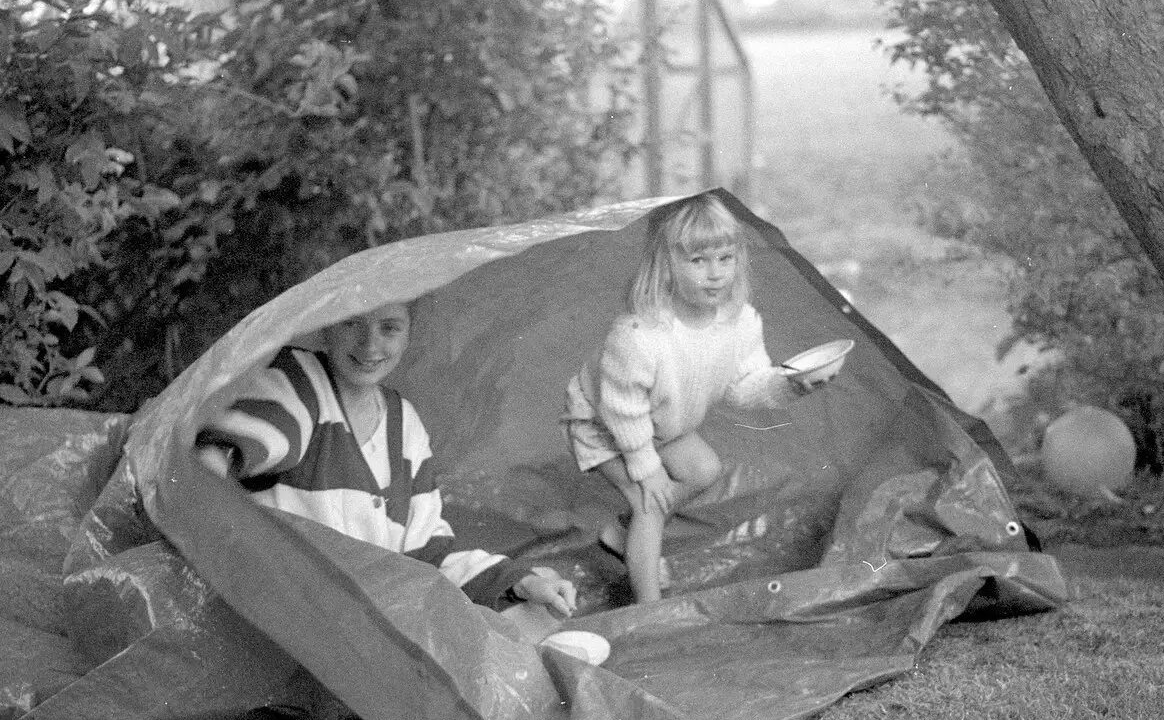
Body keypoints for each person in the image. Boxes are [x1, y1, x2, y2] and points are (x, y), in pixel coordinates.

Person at [197, 302, 576, 640]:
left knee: (539, 604)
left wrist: (522, 582)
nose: (369, 345)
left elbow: (426, 555)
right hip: (292, 627)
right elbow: (245, 441)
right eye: (351, 324)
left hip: (370, 630)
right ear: (326, 326)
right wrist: (220, 462)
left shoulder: (404, 422)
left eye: (389, 327)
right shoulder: (297, 381)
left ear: (410, 333)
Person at [563, 194, 829, 604]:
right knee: (649, 502)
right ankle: (649, 609)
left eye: (725, 258)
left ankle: (620, 534)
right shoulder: (639, 334)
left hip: (661, 423)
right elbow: (621, 407)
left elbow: (745, 386)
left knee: (705, 470)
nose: (715, 274)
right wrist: (645, 469)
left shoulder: (739, 322)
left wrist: (787, 386)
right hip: (605, 424)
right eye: (698, 261)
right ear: (666, 265)